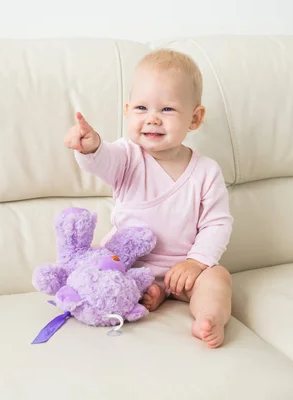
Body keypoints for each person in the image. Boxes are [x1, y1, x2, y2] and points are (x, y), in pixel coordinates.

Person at [64, 48, 233, 348]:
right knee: (104, 274)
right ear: (128, 111)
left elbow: (217, 224)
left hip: (183, 272)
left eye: (167, 110)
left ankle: (209, 318)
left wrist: (196, 262)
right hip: (127, 264)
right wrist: (91, 148)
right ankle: (144, 294)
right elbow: (104, 160)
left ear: (195, 118)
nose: (152, 119)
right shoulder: (127, 157)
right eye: (141, 108)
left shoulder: (206, 171)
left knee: (218, 278)